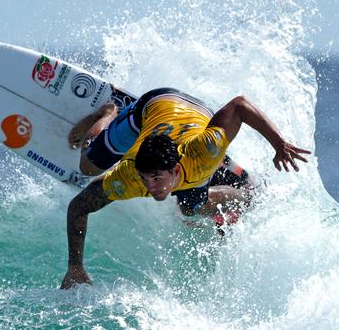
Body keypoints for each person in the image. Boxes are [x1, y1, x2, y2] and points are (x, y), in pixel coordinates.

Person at [61, 88, 310, 289]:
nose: (149, 187)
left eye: (157, 179)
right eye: (145, 178)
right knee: (87, 166)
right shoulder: (129, 178)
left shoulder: (203, 151)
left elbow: (240, 104)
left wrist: (280, 143)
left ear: (176, 172)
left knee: (191, 209)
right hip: (152, 107)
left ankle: (247, 195)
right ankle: (110, 111)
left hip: (192, 111)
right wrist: (75, 267)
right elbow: (79, 207)